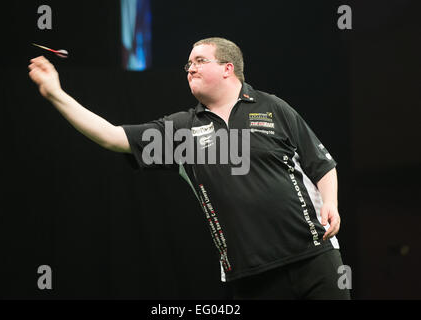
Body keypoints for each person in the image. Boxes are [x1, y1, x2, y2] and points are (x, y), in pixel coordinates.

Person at [28, 37, 351, 300]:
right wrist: (56, 94)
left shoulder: (272, 107)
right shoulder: (182, 131)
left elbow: (320, 163)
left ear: (228, 69)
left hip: (315, 256)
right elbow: (112, 137)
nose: (189, 68)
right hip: (251, 276)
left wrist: (331, 203)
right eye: (188, 64)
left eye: (199, 61)